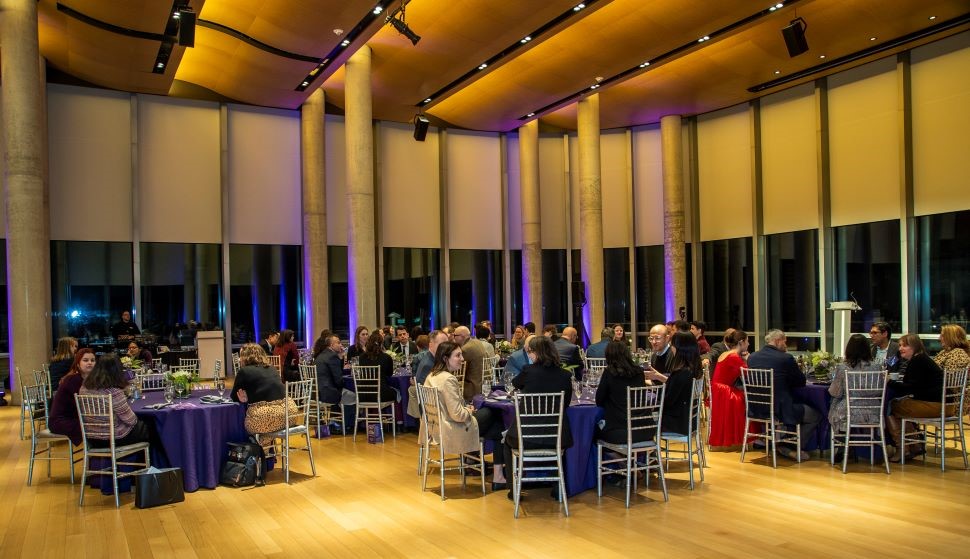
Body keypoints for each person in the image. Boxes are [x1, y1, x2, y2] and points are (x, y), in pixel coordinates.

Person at [423, 341, 506, 488]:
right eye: (458, 355)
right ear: (445, 358)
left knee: (496, 427)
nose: (462, 359)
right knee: (492, 413)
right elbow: (457, 415)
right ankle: (498, 475)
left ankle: (492, 472)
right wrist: (468, 410)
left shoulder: (431, 375)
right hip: (452, 429)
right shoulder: (448, 379)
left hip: (435, 428)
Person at [503, 336, 574, 498]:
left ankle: (514, 489)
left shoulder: (528, 371)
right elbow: (567, 404)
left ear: (537, 353)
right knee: (561, 449)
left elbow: (515, 384)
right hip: (556, 437)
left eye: (531, 352)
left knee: (506, 442)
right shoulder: (564, 375)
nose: (530, 355)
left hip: (526, 438)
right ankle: (559, 488)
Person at [746, 329, 820, 461]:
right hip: (779, 409)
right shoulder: (785, 358)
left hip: (756, 407)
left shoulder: (752, 357)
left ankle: (782, 442)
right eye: (785, 342)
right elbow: (800, 381)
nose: (786, 345)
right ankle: (789, 446)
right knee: (815, 415)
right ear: (778, 341)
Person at [886, 334, 944, 462]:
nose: (900, 348)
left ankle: (903, 448)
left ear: (914, 347)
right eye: (900, 345)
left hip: (933, 406)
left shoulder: (918, 361)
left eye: (904, 345)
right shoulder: (921, 359)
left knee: (889, 407)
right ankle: (915, 444)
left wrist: (888, 382)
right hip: (942, 404)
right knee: (897, 404)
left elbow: (909, 388)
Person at [78, 353, 151, 448]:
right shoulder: (113, 391)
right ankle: (155, 462)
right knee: (152, 426)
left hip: (92, 438)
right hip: (116, 437)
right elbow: (131, 420)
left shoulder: (84, 388)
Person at [828, 334, 879, 463]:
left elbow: (835, 392)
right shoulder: (877, 367)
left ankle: (843, 444)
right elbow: (879, 391)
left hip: (849, 411)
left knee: (833, 403)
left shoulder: (843, 368)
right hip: (873, 411)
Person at [232, 343, 295, 445]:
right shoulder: (272, 368)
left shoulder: (244, 371)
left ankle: (256, 454)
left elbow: (234, 397)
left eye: (241, 356)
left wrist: (247, 399)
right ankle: (265, 453)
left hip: (267, 416)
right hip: (290, 414)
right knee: (265, 430)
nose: (239, 359)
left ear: (245, 357)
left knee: (247, 426)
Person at [645, 331, 702, 436]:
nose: (671, 348)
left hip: (677, 423)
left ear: (680, 348)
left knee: (640, 422)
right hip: (689, 420)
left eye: (673, 345)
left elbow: (668, 401)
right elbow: (678, 388)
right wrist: (658, 376)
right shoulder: (694, 368)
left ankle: (648, 451)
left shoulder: (682, 372)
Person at [595, 341, 649, 444]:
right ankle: (625, 459)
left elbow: (599, 400)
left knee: (592, 431)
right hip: (645, 429)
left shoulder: (610, 372)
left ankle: (617, 458)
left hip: (621, 431)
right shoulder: (639, 371)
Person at [708, 330, 750, 447]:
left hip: (718, 389)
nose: (748, 344)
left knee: (744, 395)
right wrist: (747, 358)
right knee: (748, 399)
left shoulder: (726, 353)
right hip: (724, 391)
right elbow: (747, 373)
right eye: (747, 341)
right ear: (741, 342)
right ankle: (748, 436)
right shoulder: (734, 356)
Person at [48, 348, 96, 446]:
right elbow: (84, 405)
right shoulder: (73, 380)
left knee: (99, 425)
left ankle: (98, 457)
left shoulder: (88, 379)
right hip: (61, 421)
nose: (90, 363)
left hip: (73, 418)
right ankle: (97, 456)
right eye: (85, 360)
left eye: (92, 360)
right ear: (78, 364)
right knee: (98, 426)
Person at [314, 334, 354, 427]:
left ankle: (336, 421)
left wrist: (340, 357)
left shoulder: (322, 355)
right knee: (353, 395)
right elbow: (339, 381)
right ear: (331, 345)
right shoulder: (332, 357)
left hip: (316, 392)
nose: (341, 345)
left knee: (345, 393)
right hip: (327, 393)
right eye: (338, 343)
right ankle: (347, 425)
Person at [356, 331, 398, 404]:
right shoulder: (386, 357)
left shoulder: (361, 357)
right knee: (398, 392)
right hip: (381, 394)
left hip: (363, 394)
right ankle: (395, 415)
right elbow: (389, 374)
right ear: (381, 344)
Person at [453, 326, 485, 401]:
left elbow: (457, 375)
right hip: (482, 385)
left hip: (471, 389)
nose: (453, 339)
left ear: (462, 336)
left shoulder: (465, 350)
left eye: (455, 336)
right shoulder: (478, 342)